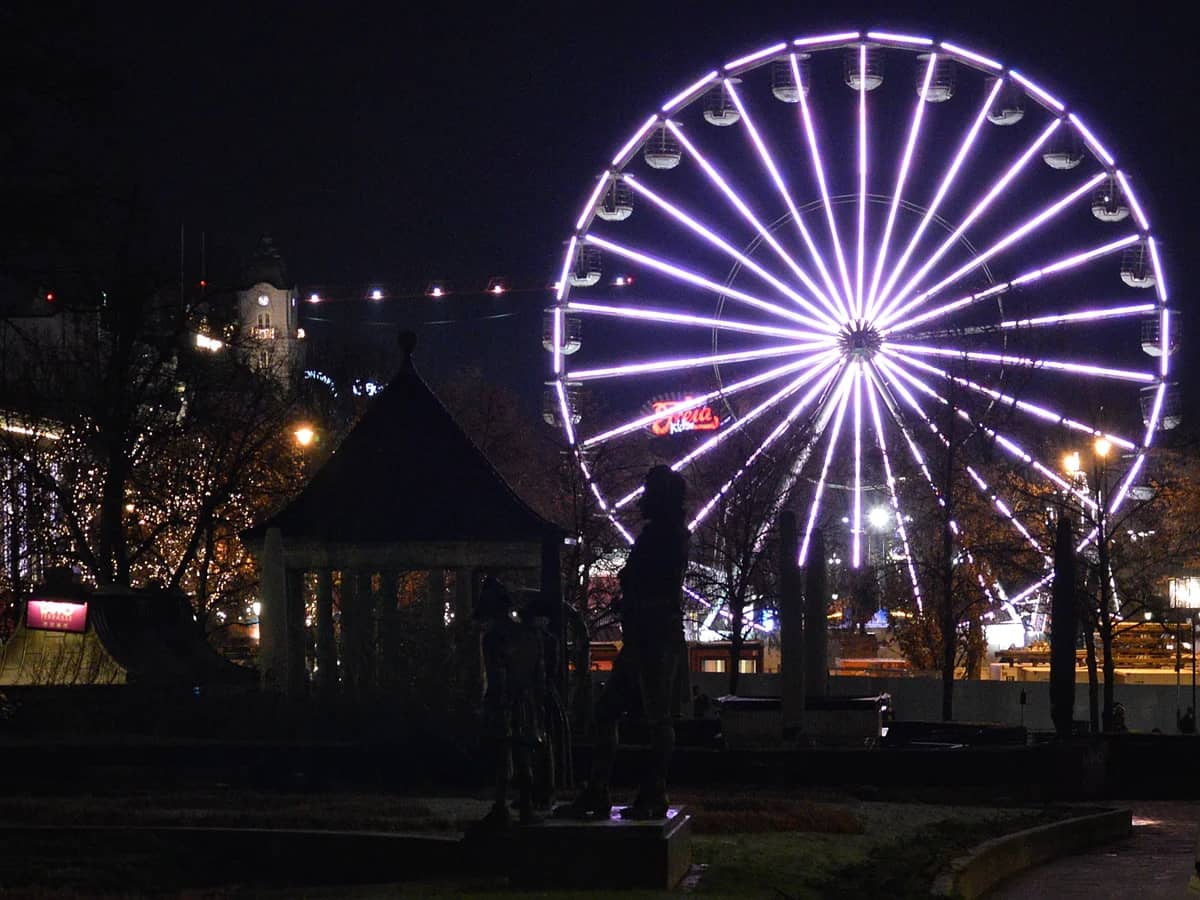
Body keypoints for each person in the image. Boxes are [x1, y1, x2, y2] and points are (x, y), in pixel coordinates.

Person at [555, 465, 689, 821]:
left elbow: (660, 589)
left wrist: (636, 600)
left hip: (655, 639)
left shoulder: (668, 537)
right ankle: (605, 791)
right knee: (609, 712)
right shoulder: (662, 536)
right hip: (643, 639)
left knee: (655, 720)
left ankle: (650, 793)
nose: (641, 497)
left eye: (647, 491)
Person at [472, 577, 546, 829]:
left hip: (504, 703)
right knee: (524, 753)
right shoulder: (528, 636)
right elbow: (539, 673)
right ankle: (526, 804)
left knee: (503, 754)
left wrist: (491, 704)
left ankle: (502, 805)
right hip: (526, 701)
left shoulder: (493, 639)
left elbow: (495, 676)